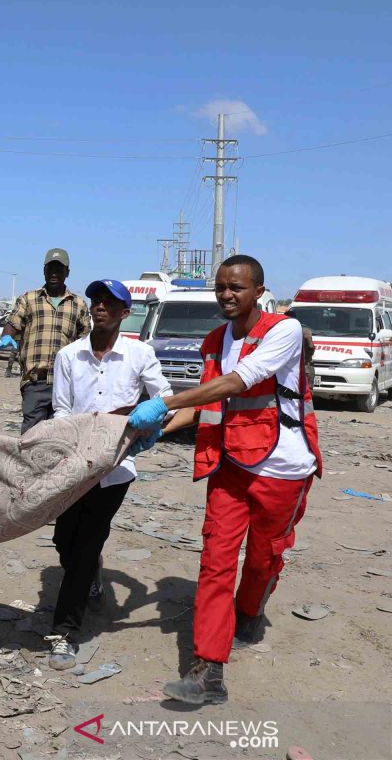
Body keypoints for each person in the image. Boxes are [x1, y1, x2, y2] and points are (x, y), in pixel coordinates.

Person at [128, 255, 322, 706]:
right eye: (220, 288)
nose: (226, 295)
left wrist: (164, 401)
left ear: (259, 290)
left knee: (262, 559)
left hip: (283, 465)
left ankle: (251, 610)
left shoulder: (283, 331)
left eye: (236, 287)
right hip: (231, 465)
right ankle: (208, 671)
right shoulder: (214, 340)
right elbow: (206, 404)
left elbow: (239, 382)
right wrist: (157, 429)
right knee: (215, 562)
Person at [45, 280, 171, 670]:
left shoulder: (138, 354)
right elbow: (61, 409)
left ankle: (64, 632)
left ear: (123, 312)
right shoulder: (69, 356)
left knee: (86, 542)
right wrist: (66, 442)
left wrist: (152, 422)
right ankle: (90, 571)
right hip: (74, 463)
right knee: (65, 540)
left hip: (116, 467)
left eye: (109, 303)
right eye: (95, 301)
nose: (100, 307)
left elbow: (164, 395)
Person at [0, 248, 91, 432]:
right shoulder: (29, 299)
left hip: (66, 383)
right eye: (50, 268)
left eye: (59, 269)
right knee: (31, 436)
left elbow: (86, 340)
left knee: (61, 436)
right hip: (35, 381)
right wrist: (7, 336)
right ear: (44, 270)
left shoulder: (78, 304)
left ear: (67, 272)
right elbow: (13, 323)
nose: (54, 273)